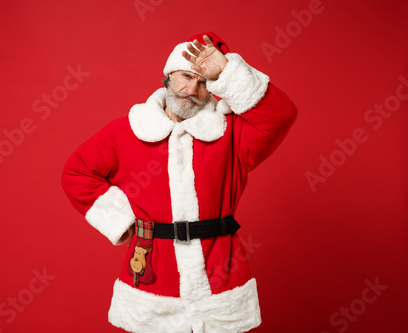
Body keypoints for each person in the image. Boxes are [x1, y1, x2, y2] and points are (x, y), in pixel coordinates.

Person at [62, 31, 297, 333]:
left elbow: (280, 116)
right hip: (154, 269)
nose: (191, 89)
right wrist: (122, 219)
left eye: (203, 82)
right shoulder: (126, 131)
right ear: (170, 75)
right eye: (187, 76)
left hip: (220, 272)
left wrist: (227, 72)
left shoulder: (231, 134)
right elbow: (76, 173)